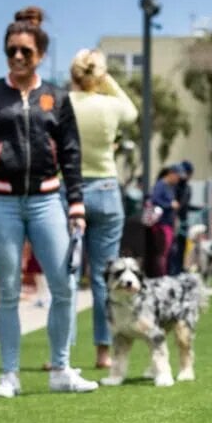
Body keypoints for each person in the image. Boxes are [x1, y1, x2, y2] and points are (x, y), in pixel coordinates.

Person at [0, 6, 98, 397]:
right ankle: (10, 375)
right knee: (6, 290)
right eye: (11, 51)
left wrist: (76, 203)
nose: (18, 57)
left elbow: (70, 153)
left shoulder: (56, 97)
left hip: (46, 200)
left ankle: (61, 369)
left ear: (40, 53)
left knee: (64, 286)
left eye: (26, 51)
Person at [68, 48, 138, 369]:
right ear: (99, 74)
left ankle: (63, 353)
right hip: (108, 190)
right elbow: (132, 111)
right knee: (101, 277)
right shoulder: (111, 105)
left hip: (71, 191)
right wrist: (106, 80)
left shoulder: (64, 103)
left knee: (67, 273)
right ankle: (103, 352)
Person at [148, 164, 182, 276]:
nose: (178, 179)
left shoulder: (170, 187)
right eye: (177, 175)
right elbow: (155, 200)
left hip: (169, 224)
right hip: (161, 224)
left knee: (168, 252)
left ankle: (165, 274)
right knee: (162, 252)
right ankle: (160, 276)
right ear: (171, 173)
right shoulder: (160, 185)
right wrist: (170, 205)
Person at [170, 160, 199, 275]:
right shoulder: (175, 187)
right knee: (174, 248)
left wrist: (198, 208)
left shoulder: (188, 188)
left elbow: (185, 206)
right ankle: (173, 271)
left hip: (183, 222)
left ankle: (179, 270)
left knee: (182, 248)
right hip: (174, 222)